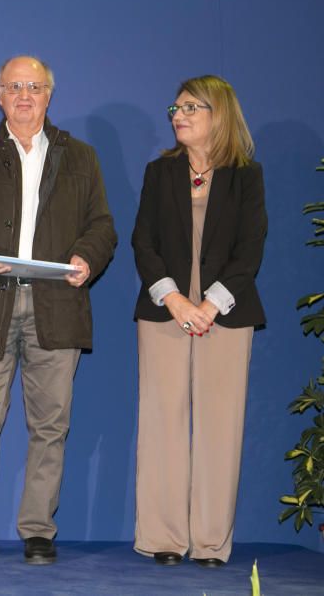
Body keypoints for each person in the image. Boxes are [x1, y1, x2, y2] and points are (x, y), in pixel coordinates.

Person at [0, 55, 116, 565]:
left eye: (34, 87)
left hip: (56, 304)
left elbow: (103, 225)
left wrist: (88, 256)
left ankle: (38, 529)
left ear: (48, 96)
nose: (24, 95)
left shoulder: (81, 157)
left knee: (51, 424)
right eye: (14, 86)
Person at [132, 75, 266, 568]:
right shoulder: (159, 172)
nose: (178, 114)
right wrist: (175, 300)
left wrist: (210, 305)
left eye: (191, 106)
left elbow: (250, 249)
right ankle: (165, 539)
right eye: (176, 107)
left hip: (226, 316)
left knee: (219, 427)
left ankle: (211, 543)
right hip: (164, 312)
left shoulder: (246, 176)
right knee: (162, 423)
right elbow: (142, 242)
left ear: (220, 114)